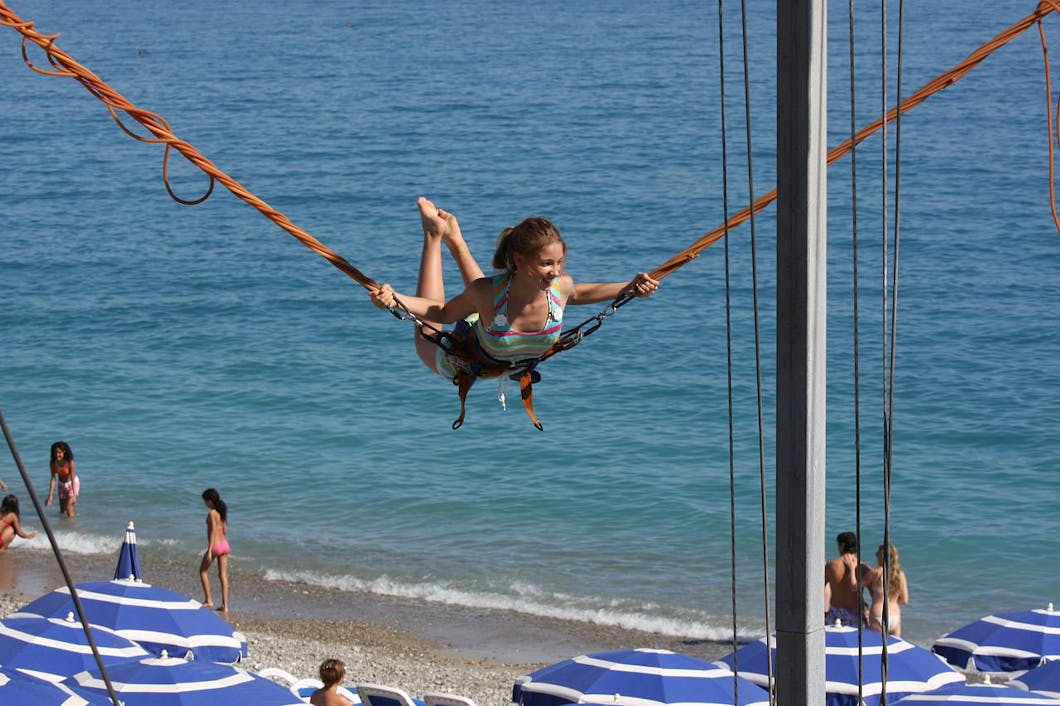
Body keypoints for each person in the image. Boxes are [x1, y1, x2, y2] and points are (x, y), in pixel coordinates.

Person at [369, 197, 659, 383]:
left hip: (491, 320)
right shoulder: (487, 293)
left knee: (490, 297)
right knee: (428, 334)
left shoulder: (560, 288)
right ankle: (434, 236)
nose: (556, 271)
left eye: (559, 262)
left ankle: (456, 242)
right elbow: (442, 313)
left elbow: (582, 293)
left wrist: (631, 287)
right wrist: (394, 299)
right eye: (547, 263)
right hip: (461, 360)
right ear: (520, 260)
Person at [862, 542, 909, 637]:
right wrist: (892, 600)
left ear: (881, 556)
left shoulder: (876, 572)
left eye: (877, 554)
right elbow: (904, 600)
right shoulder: (900, 574)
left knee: (876, 647)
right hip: (895, 616)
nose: (876, 556)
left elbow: (855, 587)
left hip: (878, 614)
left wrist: (851, 568)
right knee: (894, 649)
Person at [824, 531, 868, 626]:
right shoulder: (863, 567)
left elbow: (819, 587)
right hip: (856, 613)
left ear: (842, 545)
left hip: (836, 613)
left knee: (832, 640)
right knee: (857, 640)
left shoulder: (831, 565)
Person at [199, 488, 230, 612]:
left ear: (210, 501)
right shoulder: (221, 511)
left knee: (202, 571)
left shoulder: (212, 513)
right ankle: (225, 606)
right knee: (222, 575)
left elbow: (212, 531)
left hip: (216, 546)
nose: (204, 504)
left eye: (205, 501)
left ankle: (209, 600)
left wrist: (210, 549)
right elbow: (225, 530)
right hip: (225, 545)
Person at [45, 441, 79, 518]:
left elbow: (73, 478)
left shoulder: (70, 462)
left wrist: (74, 494)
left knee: (69, 507)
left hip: (72, 484)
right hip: (61, 485)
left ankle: (72, 527)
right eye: (55, 452)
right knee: (62, 510)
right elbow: (53, 478)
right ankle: (64, 527)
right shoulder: (53, 463)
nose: (57, 455)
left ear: (64, 452)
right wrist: (50, 495)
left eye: (59, 452)